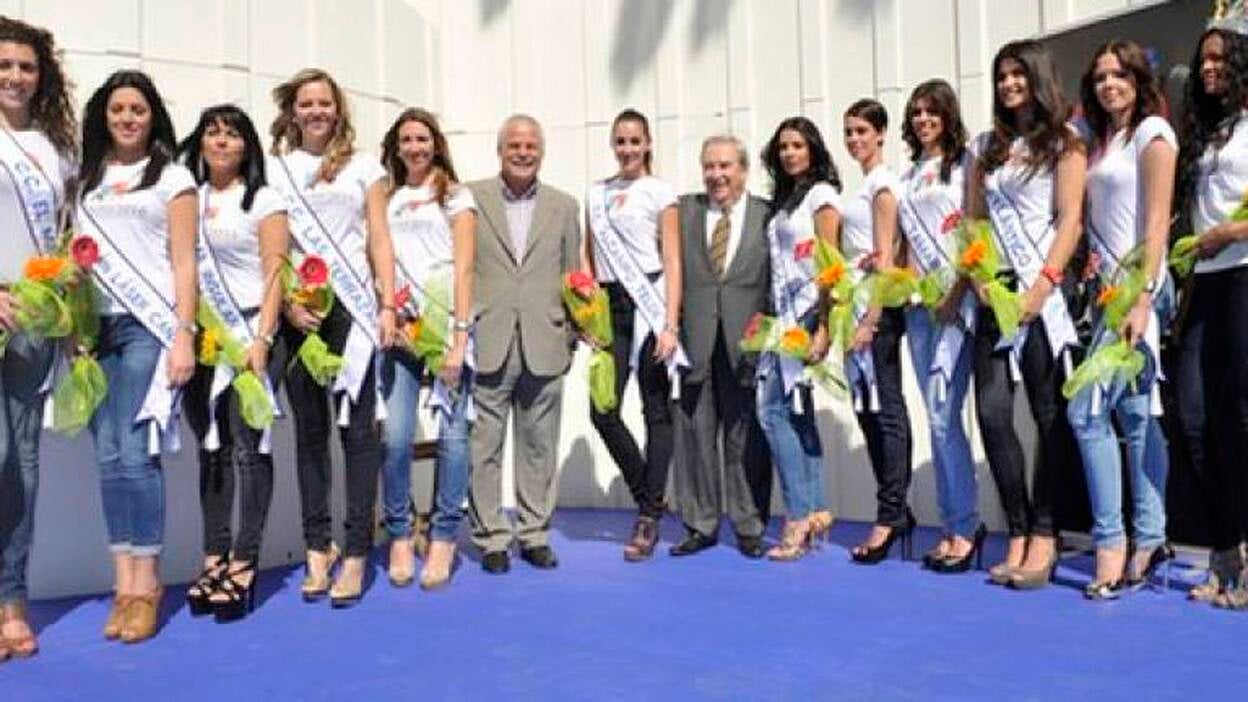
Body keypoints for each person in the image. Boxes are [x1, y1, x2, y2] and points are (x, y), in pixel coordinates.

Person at [268, 68, 397, 607]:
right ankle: (317, 547)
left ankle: (358, 551)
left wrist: (387, 303)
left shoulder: (364, 166)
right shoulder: (275, 170)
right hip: (301, 312)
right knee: (311, 435)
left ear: (338, 109)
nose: (316, 111)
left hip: (354, 311)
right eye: (306, 103)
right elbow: (272, 247)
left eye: (324, 103)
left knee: (359, 435)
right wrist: (287, 304)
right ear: (293, 112)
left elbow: (379, 237)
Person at [77, 70, 198, 642]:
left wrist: (184, 333)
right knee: (106, 457)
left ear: (153, 118)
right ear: (104, 115)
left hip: (147, 327)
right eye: (118, 109)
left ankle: (146, 583)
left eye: (138, 110)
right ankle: (121, 581)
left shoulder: (172, 177)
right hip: (94, 329)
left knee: (136, 454)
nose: (127, 118)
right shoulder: (87, 178)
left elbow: (184, 261)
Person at [967, 39, 1086, 590]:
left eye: (1018, 74)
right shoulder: (986, 146)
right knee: (993, 414)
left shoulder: (1064, 141)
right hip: (997, 293)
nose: (1009, 84)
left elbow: (1070, 220)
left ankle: (1045, 531)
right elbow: (973, 221)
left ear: (1037, 77)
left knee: (1046, 413)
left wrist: (1043, 285)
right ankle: (1016, 527)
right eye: (1002, 76)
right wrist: (980, 278)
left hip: (1041, 289)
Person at [1068, 40, 1176, 600]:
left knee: (1086, 412)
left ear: (1138, 80)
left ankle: (1111, 544)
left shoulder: (1153, 133)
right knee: (1134, 416)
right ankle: (1150, 539)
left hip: (1140, 289)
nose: (1109, 85)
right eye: (1100, 77)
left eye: (1119, 75)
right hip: (1108, 289)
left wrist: (1144, 298)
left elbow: (1157, 222)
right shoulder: (1104, 141)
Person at [177, 105, 289, 621]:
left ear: (247, 145)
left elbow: (275, 273)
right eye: (212, 133)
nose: (221, 142)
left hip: (249, 333)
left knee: (248, 448)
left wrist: (262, 337)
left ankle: (245, 561)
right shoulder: (188, 197)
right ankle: (214, 557)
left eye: (232, 134)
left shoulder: (263, 199)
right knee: (212, 449)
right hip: (205, 338)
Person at [467, 114, 580, 574]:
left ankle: (534, 534)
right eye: (514, 145)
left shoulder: (564, 206)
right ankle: (492, 537)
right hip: (488, 338)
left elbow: (574, 276)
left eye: (531, 145)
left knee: (539, 447)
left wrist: (570, 335)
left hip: (545, 339)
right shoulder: (469, 199)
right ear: (500, 150)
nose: (522, 152)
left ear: (542, 152)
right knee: (484, 447)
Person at [0, 15, 76, 659]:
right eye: (5, 65)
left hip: (33, 320)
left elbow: (66, 237)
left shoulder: (56, 149)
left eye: (27, 66)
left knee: (22, 463)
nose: (16, 76)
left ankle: (11, 600)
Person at [378, 108, 476, 590]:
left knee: (453, 437)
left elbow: (465, 268)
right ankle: (400, 532)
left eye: (422, 139)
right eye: (406, 140)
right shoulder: (389, 198)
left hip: (446, 329)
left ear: (435, 144)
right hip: (402, 332)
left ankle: (443, 536)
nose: (414, 147)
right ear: (396, 148)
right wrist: (388, 312)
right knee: (396, 437)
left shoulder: (456, 196)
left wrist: (459, 338)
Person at [583, 109, 683, 561]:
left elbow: (673, 259)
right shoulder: (596, 194)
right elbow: (588, 258)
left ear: (647, 144)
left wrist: (670, 322)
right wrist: (588, 316)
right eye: (620, 141)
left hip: (650, 301)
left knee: (655, 409)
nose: (627, 149)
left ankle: (647, 516)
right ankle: (650, 494)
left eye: (634, 141)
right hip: (610, 305)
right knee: (602, 409)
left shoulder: (660, 192)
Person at [896, 80, 986, 573]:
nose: (923, 120)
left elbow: (975, 231)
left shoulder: (966, 165)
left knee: (943, 414)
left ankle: (966, 525)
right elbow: (908, 245)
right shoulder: (910, 176)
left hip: (956, 304)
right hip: (920, 309)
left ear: (948, 115)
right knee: (935, 418)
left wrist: (957, 292)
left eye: (931, 112)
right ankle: (952, 524)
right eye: (916, 113)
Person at [669, 134, 773, 559]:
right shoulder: (683, 211)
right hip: (695, 339)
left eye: (725, 166)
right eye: (709, 166)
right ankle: (701, 524)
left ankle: (749, 525)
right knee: (695, 434)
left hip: (745, 342)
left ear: (743, 170)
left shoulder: (768, 215)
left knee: (745, 437)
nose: (716, 175)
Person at [1174, 18, 1248, 607]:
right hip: (1204, 282)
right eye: (1203, 60)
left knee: (1241, 418)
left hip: (1244, 273)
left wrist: (1232, 232)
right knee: (1195, 420)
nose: (1208, 68)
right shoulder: (1205, 131)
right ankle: (1226, 549)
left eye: (1220, 58)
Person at [756, 116, 838, 561]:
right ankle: (817, 507)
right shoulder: (787, 200)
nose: (789, 153)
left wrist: (825, 325)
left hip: (806, 314)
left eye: (798, 146)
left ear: (813, 150)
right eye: (783, 147)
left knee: (772, 412)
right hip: (781, 317)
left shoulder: (821, 196)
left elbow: (831, 264)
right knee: (797, 414)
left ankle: (797, 514)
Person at [840, 99, 916, 565]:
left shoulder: (883, 184)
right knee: (866, 409)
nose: (854, 140)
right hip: (855, 306)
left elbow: (887, 256)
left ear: (881, 134)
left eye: (862, 131)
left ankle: (890, 515)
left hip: (878, 310)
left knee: (886, 409)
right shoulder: (865, 184)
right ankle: (895, 507)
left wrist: (871, 320)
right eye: (849, 132)